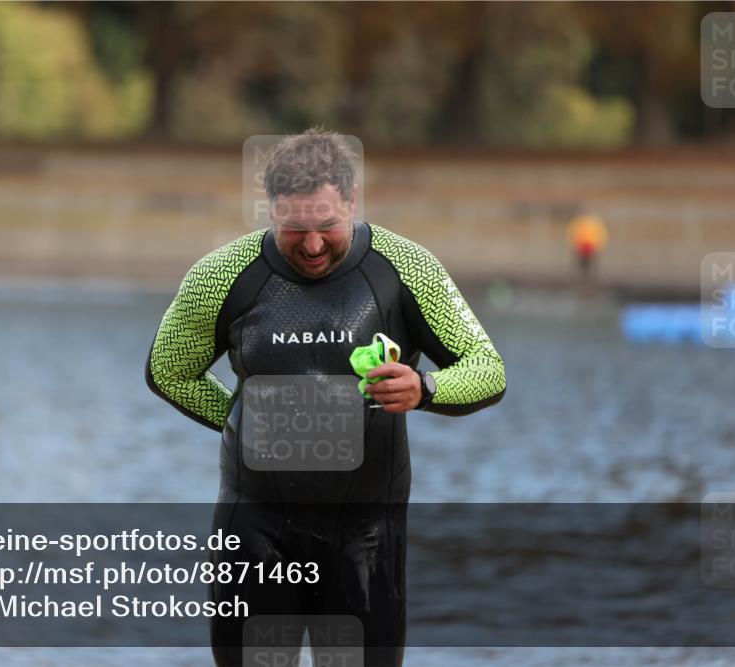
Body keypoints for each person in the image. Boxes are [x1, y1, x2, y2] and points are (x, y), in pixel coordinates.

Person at [146, 129, 506, 666]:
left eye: (327, 227)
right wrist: (243, 420)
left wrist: (426, 388)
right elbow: (168, 370)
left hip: (365, 536)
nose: (312, 246)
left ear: (352, 203)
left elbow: (487, 368)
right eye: (295, 229)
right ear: (271, 212)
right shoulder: (222, 275)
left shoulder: (404, 267)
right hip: (256, 528)